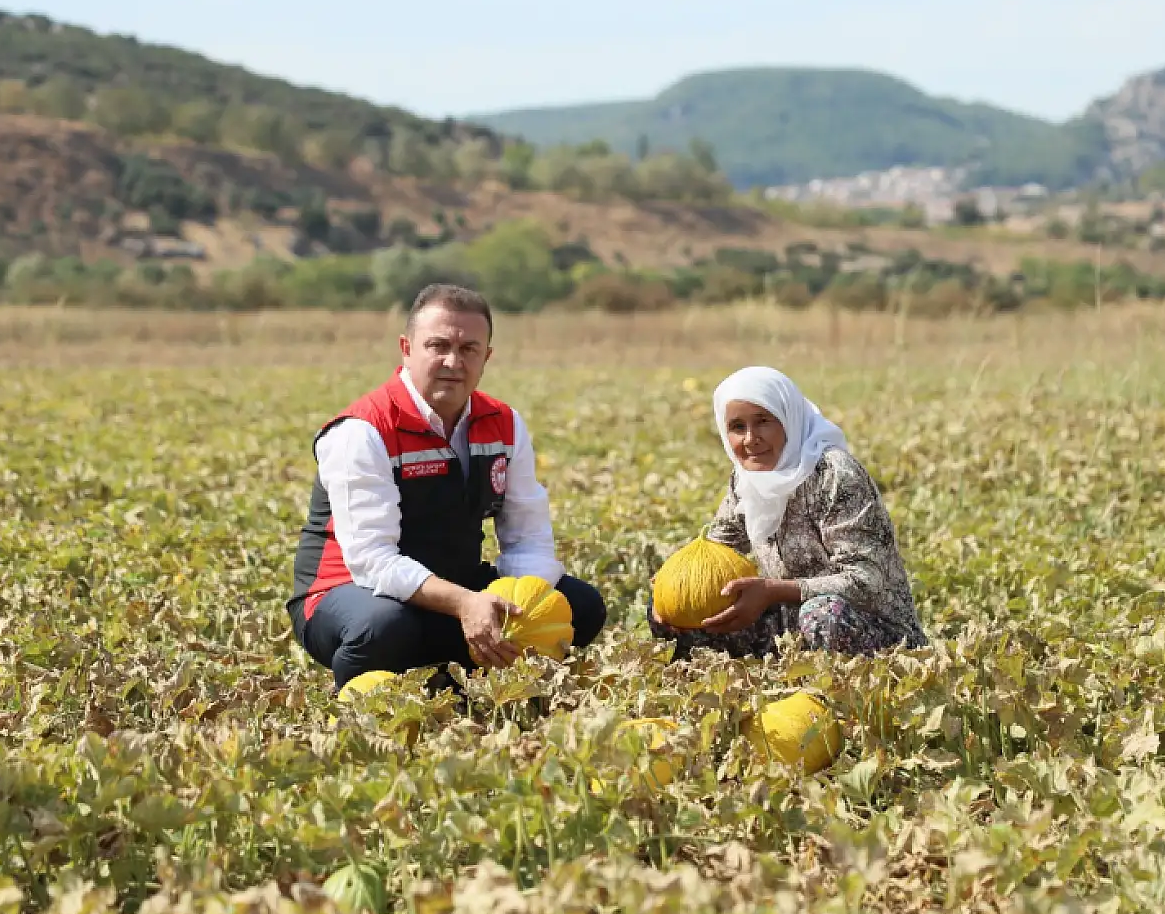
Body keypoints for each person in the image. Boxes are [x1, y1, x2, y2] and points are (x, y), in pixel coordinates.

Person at [288, 284, 607, 689]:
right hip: (348, 592)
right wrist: (465, 603)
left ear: (486, 357)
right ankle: (366, 694)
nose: (453, 362)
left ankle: (458, 678)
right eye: (437, 346)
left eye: (469, 349)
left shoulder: (505, 424)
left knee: (579, 607)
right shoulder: (362, 431)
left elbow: (528, 539)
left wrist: (523, 608)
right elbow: (372, 561)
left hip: (453, 586)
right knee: (384, 627)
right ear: (406, 348)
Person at [650, 365, 928, 660]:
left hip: (871, 627)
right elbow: (718, 547)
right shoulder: (745, 480)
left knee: (822, 615)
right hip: (787, 627)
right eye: (738, 427)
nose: (750, 439)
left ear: (788, 419)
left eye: (763, 422)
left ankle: (846, 681)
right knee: (678, 617)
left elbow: (867, 580)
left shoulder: (834, 474)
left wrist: (772, 591)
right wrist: (675, 584)